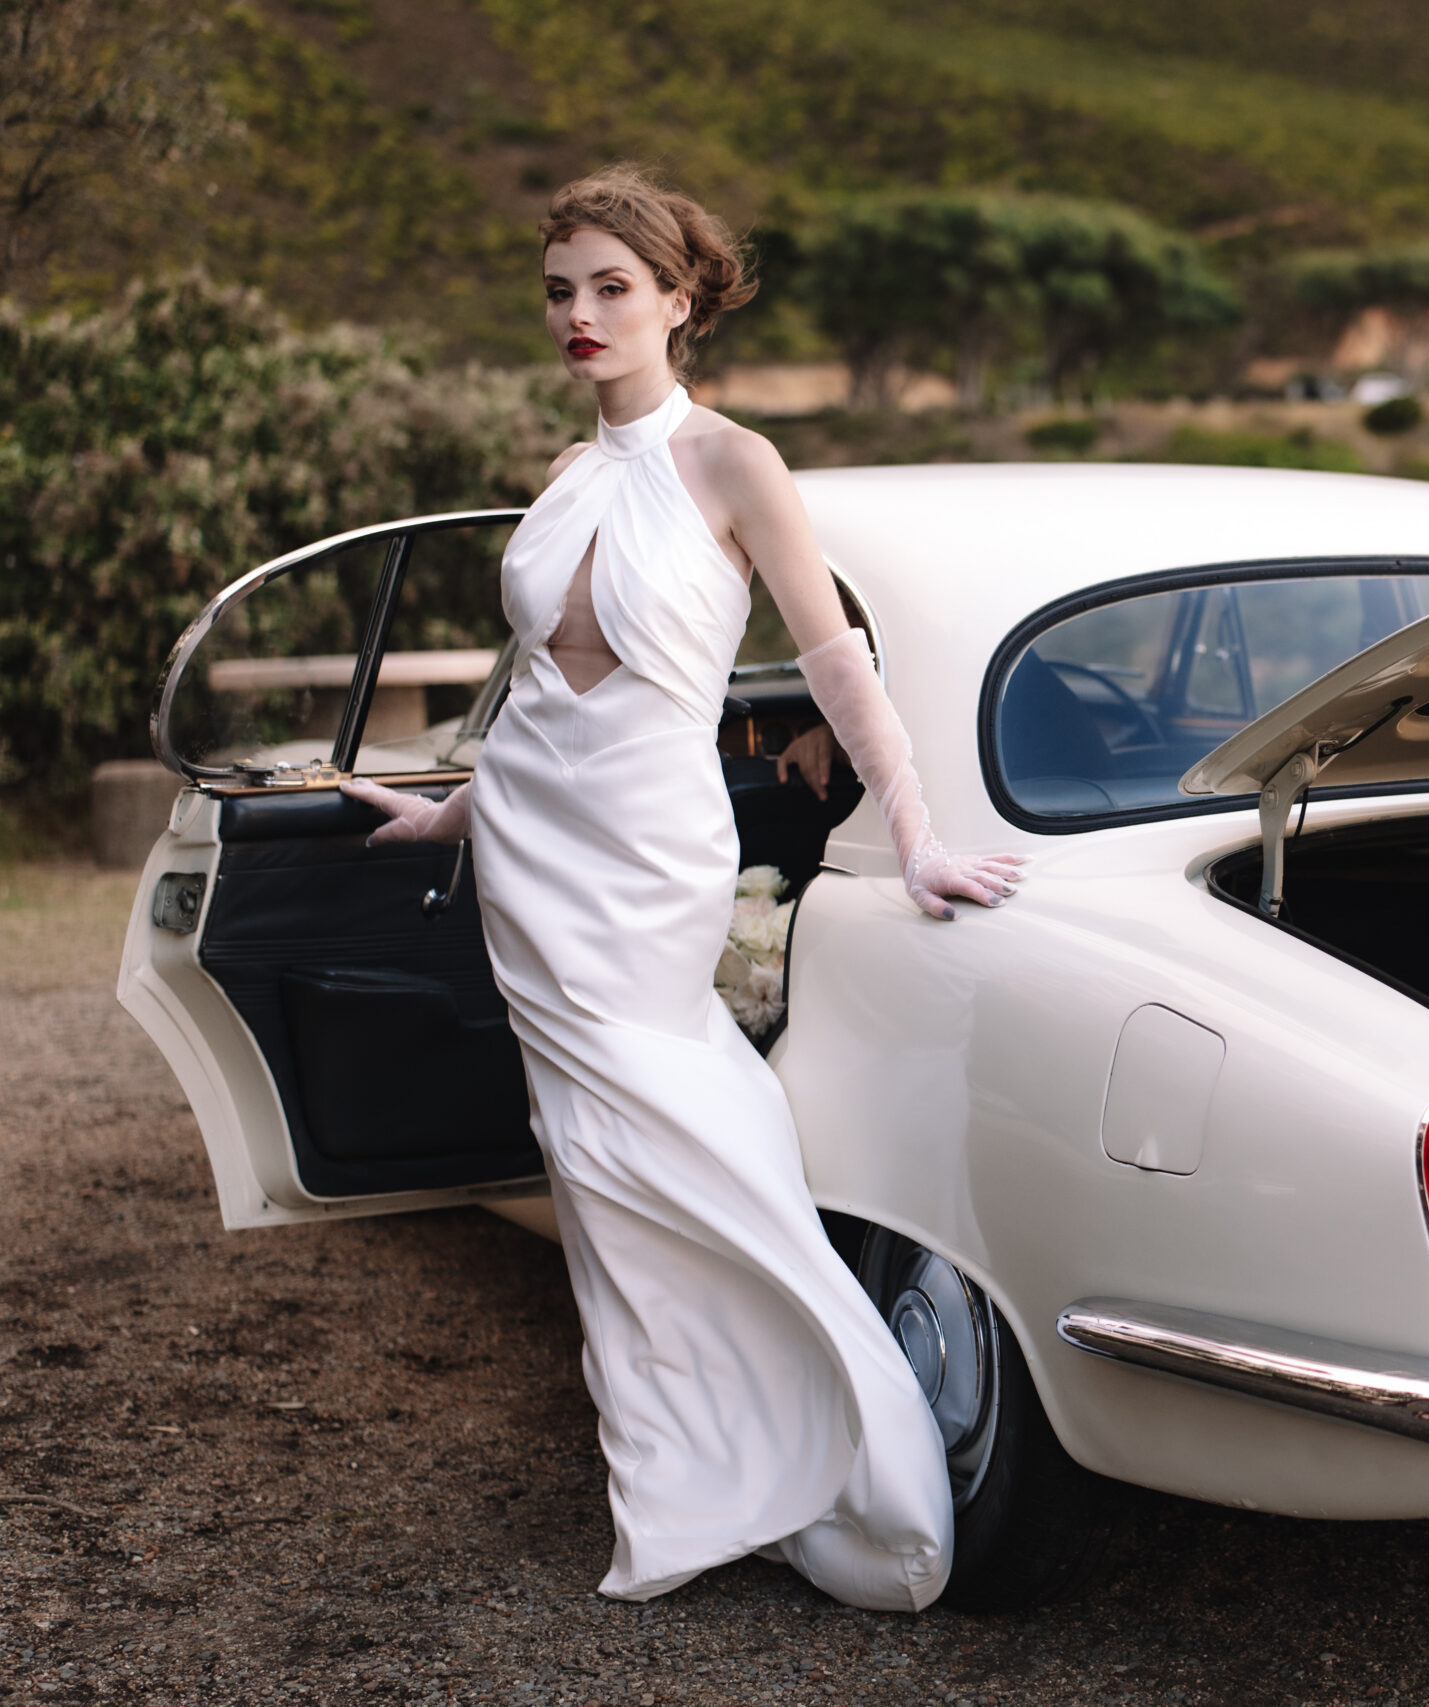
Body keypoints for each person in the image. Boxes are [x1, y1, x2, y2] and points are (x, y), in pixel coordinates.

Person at [343, 165, 1021, 1611]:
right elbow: (541, 696)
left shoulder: (734, 463)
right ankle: (673, 1482)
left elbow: (834, 658)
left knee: (685, 1134)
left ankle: (839, 1441)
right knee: (591, 1170)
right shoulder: (568, 475)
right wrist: (449, 814)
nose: (579, 316)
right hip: (530, 850)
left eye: (609, 287)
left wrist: (913, 834)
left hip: (650, 860)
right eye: (559, 291)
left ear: (679, 298)